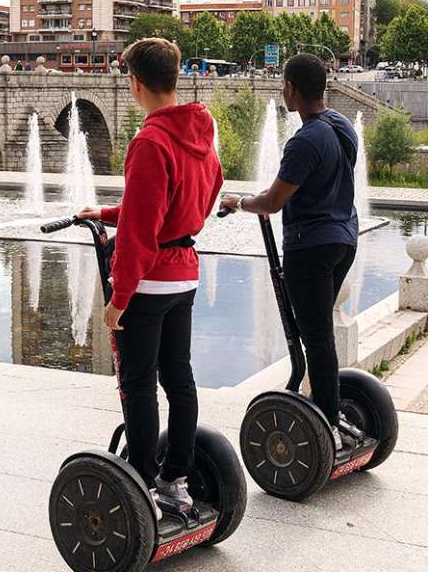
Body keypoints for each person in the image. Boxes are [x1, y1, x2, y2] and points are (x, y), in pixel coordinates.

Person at [76, 38, 223, 514]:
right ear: (173, 78)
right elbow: (191, 201)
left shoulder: (150, 141)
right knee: (179, 378)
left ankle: (140, 485)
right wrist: (105, 211)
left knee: (137, 384)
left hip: (152, 280)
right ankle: (175, 479)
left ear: (135, 83)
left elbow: (142, 230)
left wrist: (119, 297)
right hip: (185, 276)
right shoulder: (201, 131)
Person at [220, 52, 360, 452]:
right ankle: (326, 409)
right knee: (316, 335)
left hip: (310, 247)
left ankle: (328, 423)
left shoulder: (305, 139)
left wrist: (239, 202)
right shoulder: (342, 126)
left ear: (291, 89)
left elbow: (273, 201)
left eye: (284, 84)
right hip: (343, 239)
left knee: (315, 339)